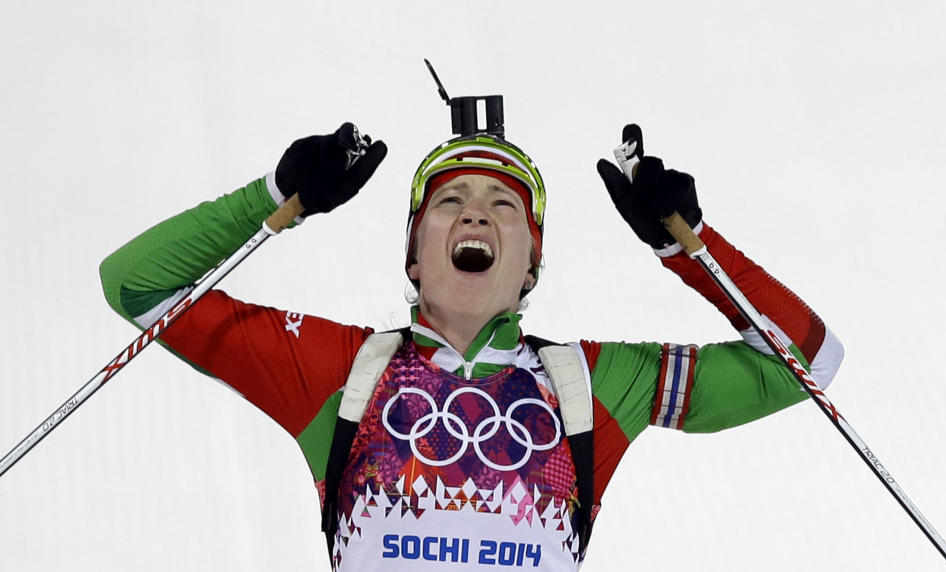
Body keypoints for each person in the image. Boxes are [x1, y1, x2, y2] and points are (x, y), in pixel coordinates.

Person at [99, 122, 844, 571]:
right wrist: (274, 196)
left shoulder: (589, 381)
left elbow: (807, 364)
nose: (475, 215)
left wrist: (689, 247)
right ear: (414, 255)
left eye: (503, 206)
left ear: (532, 263)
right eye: (449, 201)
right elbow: (133, 285)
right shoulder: (339, 371)